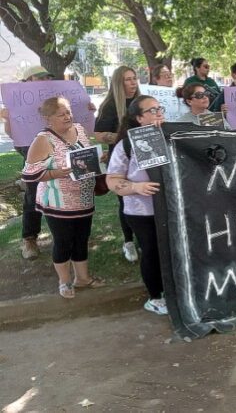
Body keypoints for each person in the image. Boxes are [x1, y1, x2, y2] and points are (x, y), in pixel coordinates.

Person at [22, 97, 102, 299]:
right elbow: (30, 174)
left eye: (68, 112)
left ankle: (82, 278)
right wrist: (60, 172)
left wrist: (97, 159)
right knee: (63, 241)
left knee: (82, 239)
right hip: (58, 202)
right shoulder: (43, 140)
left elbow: (85, 155)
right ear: (49, 119)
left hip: (84, 199)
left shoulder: (79, 129)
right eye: (61, 114)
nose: (68, 116)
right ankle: (64, 282)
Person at [106, 96, 168, 315]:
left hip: (171, 208)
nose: (158, 112)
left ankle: (174, 290)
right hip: (142, 211)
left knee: (170, 251)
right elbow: (112, 180)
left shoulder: (172, 137)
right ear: (139, 118)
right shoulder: (126, 145)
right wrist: (136, 187)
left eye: (159, 108)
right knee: (151, 251)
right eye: (152, 111)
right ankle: (155, 297)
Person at [1, 65, 55, 259]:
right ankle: (29, 239)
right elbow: (13, 134)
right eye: (40, 77)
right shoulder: (17, 102)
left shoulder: (55, 98)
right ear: (28, 81)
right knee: (34, 194)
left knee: (61, 190)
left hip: (58, 148)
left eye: (47, 77)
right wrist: (7, 119)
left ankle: (62, 233)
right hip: (32, 150)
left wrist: (86, 109)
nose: (45, 80)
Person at [95, 65, 140, 263]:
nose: (133, 83)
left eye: (134, 78)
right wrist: (123, 138)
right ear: (118, 83)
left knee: (144, 197)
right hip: (121, 161)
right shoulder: (110, 105)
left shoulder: (141, 102)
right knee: (125, 199)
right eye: (128, 79)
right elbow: (98, 135)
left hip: (143, 158)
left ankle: (144, 237)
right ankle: (128, 241)